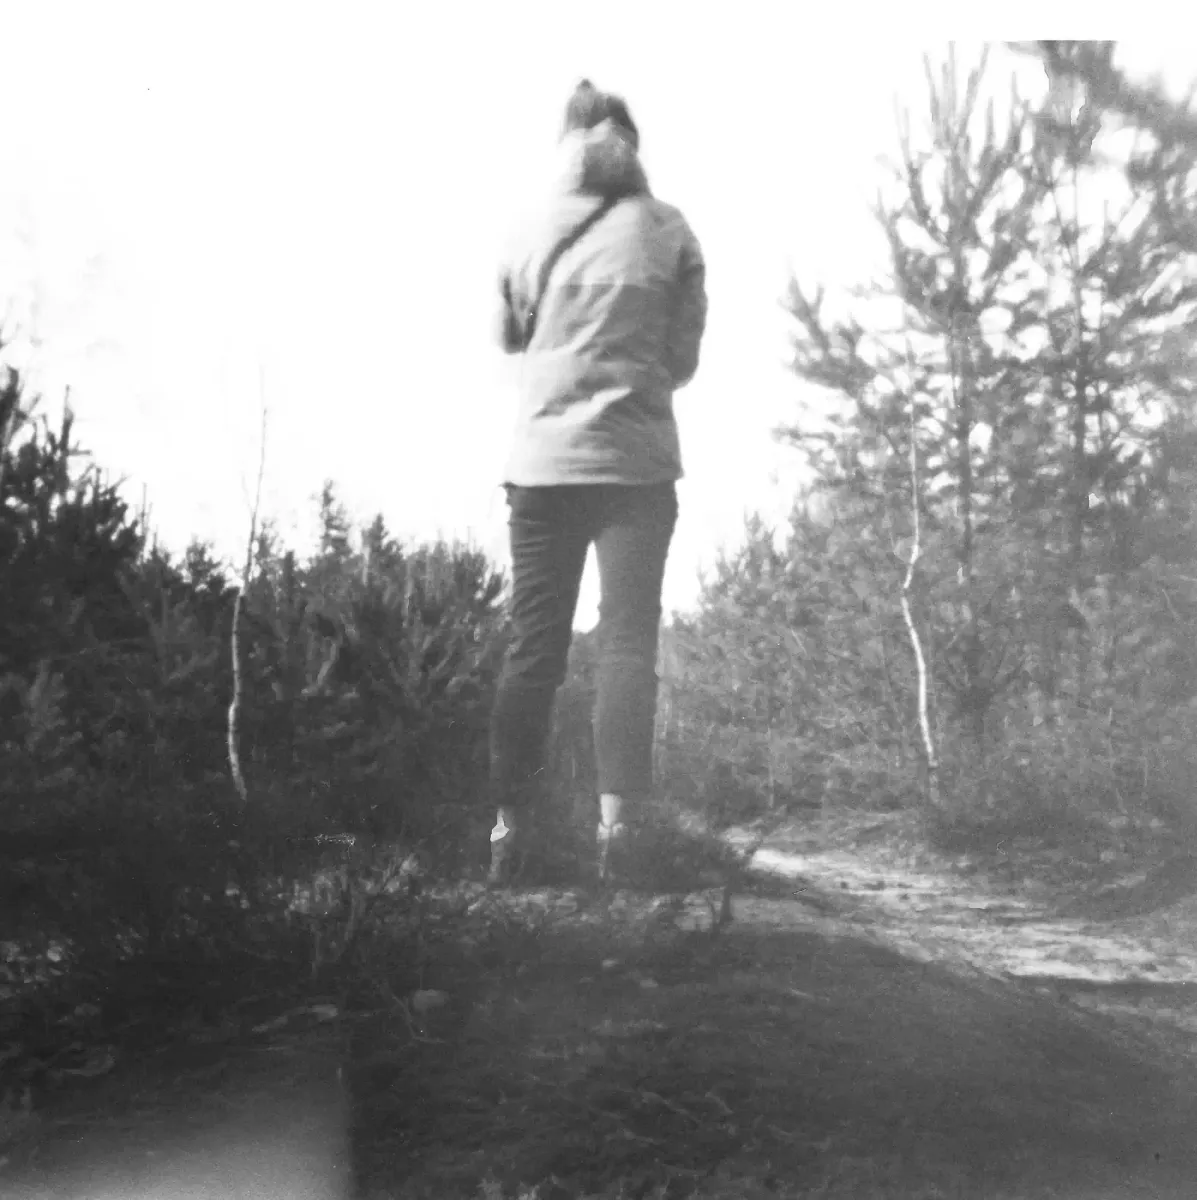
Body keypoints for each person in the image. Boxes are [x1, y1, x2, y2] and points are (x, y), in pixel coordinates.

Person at [487, 79, 708, 887]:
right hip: (635, 468)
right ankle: (621, 836)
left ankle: (510, 832)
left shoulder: (526, 228)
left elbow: (507, 338)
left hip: (542, 467)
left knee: (532, 648)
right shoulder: (669, 229)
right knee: (627, 645)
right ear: (634, 146)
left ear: (565, 144)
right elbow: (682, 359)